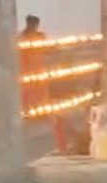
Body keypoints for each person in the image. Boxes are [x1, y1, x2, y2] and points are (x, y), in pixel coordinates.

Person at [17, 15, 69, 153]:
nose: (35, 27)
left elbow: (48, 50)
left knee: (40, 95)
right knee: (26, 94)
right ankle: (27, 111)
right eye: (33, 25)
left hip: (38, 72)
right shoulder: (21, 39)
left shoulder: (40, 37)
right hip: (26, 72)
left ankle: (39, 110)